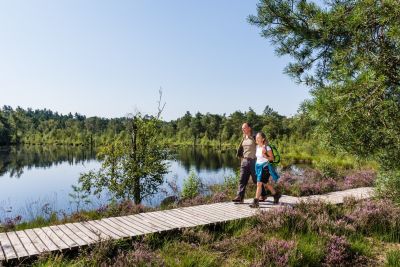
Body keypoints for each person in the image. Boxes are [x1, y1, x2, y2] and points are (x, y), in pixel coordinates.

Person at [232, 122, 267, 203]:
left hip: (254, 161)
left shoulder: (255, 137)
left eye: (244, 128)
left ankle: (263, 195)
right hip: (244, 161)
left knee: (256, 180)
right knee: (242, 179)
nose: (242, 129)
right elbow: (242, 150)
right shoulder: (244, 137)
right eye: (242, 128)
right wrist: (242, 160)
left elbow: (263, 144)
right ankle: (240, 197)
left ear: (249, 128)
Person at [249, 132, 281, 208]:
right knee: (265, 183)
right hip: (258, 167)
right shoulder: (257, 147)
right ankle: (276, 195)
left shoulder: (267, 147)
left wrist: (265, 155)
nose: (256, 139)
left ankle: (255, 202)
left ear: (263, 139)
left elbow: (272, 158)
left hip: (265, 167)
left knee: (259, 183)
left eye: (258, 137)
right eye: (256, 137)